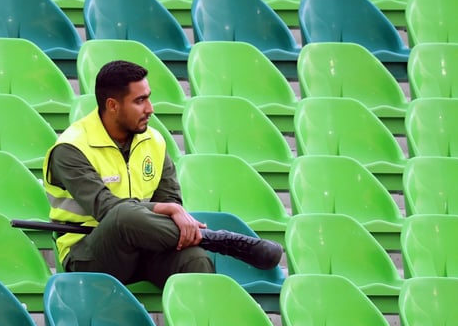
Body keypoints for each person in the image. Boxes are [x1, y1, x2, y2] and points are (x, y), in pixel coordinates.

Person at [43, 59, 283, 288]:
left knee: (195, 259)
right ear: (113, 106)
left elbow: (170, 202)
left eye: (148, 98)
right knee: (122, 215)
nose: (150, 108)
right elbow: (107, 209)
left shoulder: (154, 141)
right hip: (89, 253)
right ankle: (218, 240)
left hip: (145, 248)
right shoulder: (71, 148)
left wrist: (170, 209)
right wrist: (163, 209)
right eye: (139, 101)